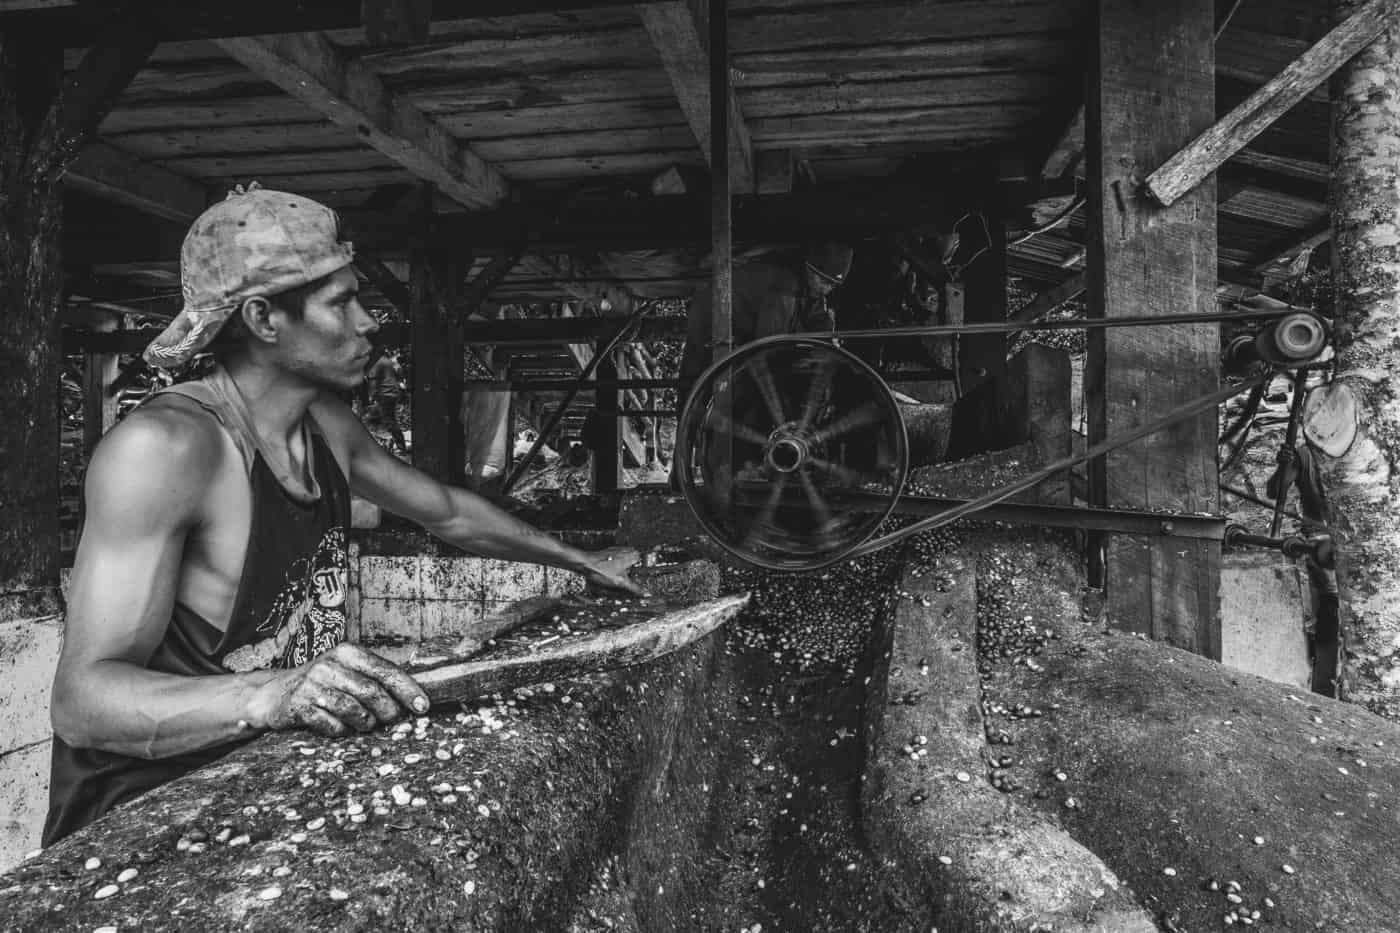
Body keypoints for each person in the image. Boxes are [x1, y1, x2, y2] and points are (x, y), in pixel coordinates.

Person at [44, 184, 640, 845]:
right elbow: (82, 700)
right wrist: (270, 694)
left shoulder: (326, 425)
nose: (368, 320)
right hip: (140, 822)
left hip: (250, 784)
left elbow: (445, 512)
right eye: (341, 302)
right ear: (265, 319)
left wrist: (577, 559)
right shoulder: (164, 450)